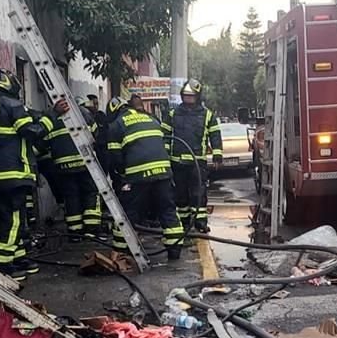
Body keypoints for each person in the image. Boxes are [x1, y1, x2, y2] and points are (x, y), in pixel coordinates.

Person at [0, 68, 60, 279]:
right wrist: (52, 116)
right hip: (12, 174)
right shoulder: (12, 104)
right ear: (11, 84)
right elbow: (33, 132)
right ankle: (0, 267)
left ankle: (18, 259)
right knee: (12, 222)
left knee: (7, 220)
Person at [106, 97, 184, 260]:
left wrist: (122, 175)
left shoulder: (116, 125)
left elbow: (115, 157)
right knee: (167, 209)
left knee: (129, 212)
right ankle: (175, 250)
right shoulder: (150, 117)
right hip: (163, 171)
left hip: (138, 174)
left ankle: (121, 251)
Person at [39, 98, 104, 241]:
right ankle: (91, 231)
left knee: (71, 197)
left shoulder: (51, 116)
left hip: (63, 166)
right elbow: (95, 134)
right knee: (91, 193)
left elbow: (42, 143)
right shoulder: (84, 113)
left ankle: (75, 233)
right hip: (85, 163)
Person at [163, 79, 222, 232]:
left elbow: (215, 135)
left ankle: (200, 223)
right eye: (186, 96)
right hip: (177, 162)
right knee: (180, 195)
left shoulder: (207, 115)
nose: (188, 99)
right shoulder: (172, 113)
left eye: (191, 96)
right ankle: (183, 222)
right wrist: (165, 157)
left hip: (198, 162)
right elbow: (165, 136)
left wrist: (217, 155)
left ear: (198, 96)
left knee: (198, 194)